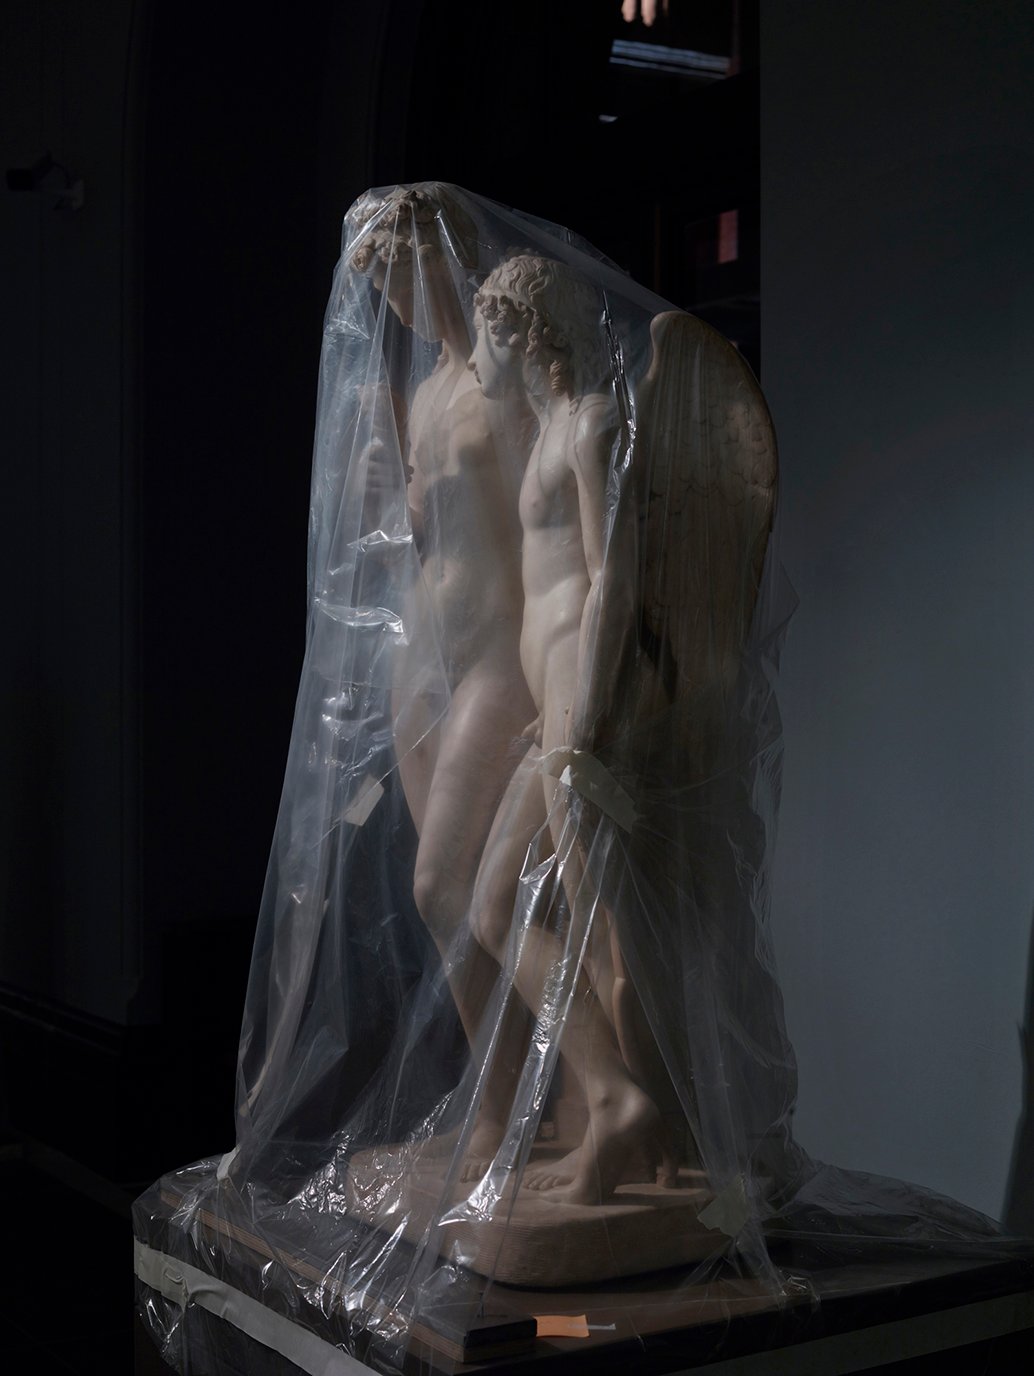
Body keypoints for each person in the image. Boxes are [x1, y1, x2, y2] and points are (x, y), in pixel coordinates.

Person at [468, 254, 674, 1204]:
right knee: (494, 906)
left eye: (485, 335)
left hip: (578, 692)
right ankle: (620, 1104)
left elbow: (612, 578)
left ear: (521, 331)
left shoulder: (592, 422)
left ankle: (630, 1117)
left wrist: (586, 707)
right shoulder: (554, 427)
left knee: (599, 924)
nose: (478, 359)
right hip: (553, 698)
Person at [349, 187, 536, 1171]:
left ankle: (529, 1105)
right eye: (381, 287)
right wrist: (393, 495)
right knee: (449, 903)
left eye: (402, 277)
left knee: (445, 884)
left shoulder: (510, 378)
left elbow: (555, 520)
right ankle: (505, 1104)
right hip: (423, 655)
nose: (396, 303)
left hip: (501, 654)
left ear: (447, 260)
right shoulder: (424, 393)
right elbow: (427, 527)